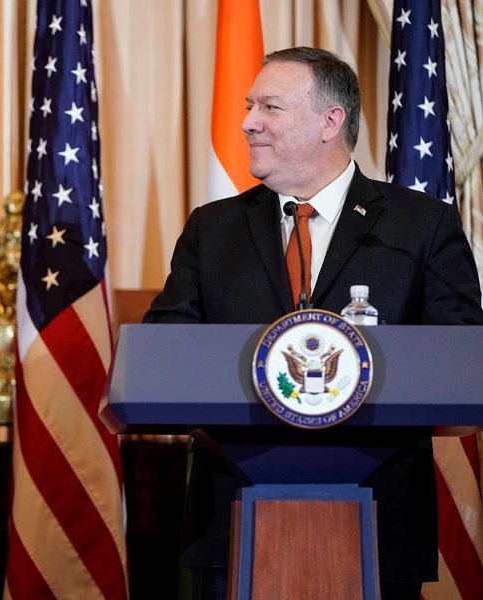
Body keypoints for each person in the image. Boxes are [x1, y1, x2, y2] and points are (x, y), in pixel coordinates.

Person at [144, 47, 483, 600]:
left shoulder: (420, 226)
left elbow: (462, 358)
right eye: (250, 106)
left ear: (331, 121)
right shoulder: (214, 228)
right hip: (230, 521)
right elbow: (165, 350)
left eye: (270, 107)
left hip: (380, 518)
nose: (248, 122)